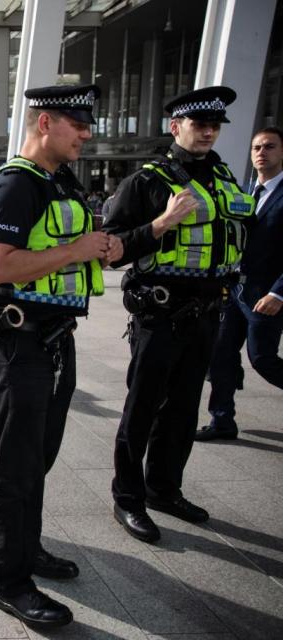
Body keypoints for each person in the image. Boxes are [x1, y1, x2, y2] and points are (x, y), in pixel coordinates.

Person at [0, 84, 119, 628]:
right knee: (16, 465)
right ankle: (10, 583)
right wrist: (76, 250)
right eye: (77, 124)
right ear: (44, 124)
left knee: (38, 457)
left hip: (53, 339)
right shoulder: (14, 185)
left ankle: (28, 550)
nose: (86, 134)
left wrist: (102, 246)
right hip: (18, 343)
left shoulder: (59, 183)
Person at [103, 86, 255, 544]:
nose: (209, 131)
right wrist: (162, 223)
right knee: (143, 409)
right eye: (199, 124)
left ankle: (164, 489)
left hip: (209, 314)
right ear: (176, 127)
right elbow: (111, 249)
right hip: (160, 314)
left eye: (215, 125)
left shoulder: (225, 177)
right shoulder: (147, 181)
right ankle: (127, 498)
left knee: (184, 408)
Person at [200, 126, 283, 440]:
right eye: (257, 147)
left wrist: (279, 292)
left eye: (270, 147)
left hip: (267, 293)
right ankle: (222, 421)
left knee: (262, 359)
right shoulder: (245, 194)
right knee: (220, 354)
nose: (262, 152)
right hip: (234, 289)